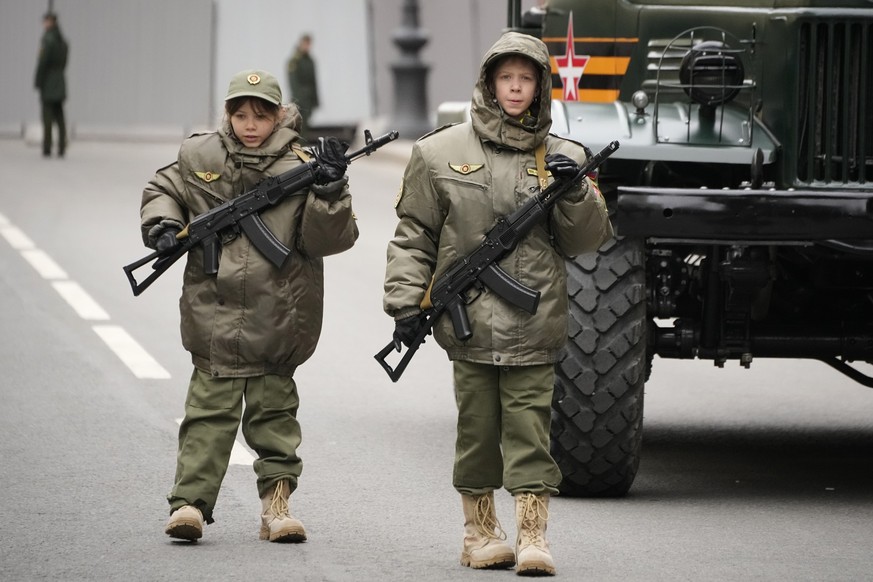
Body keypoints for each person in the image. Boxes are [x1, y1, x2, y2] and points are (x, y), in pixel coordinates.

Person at [382, 32, 613, 576]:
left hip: (534, 322)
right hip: (467, 324)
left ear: (539, 87)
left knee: (531, 432)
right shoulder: (439, 152)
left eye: (525, 79)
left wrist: (575, 193)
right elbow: (414, 233)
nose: (515, 88)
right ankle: (481, 534)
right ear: (488, 83)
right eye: (506, 78)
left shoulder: (565, 157)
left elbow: (587, 241)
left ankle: (533, 536)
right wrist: (405, 301)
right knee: (478, 431)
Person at [139, 69, 358, 543]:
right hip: (213, 314)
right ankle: (190, 505)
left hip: (279, 317)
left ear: (280, 116)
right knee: (207, 417)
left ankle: (276, 507)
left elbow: (330, 239)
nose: (250, 124)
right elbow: (164, 190)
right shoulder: (200, 154)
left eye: (261, 115)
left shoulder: (303, 164)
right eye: (241, 114)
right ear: (228, 114)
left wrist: (329, 190)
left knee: (274, 419)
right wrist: (162, 224)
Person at [34, 11, 68, 158]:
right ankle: (61, 146)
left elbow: (42, 63)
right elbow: (65, 62)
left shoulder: (48, 40)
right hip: (60, 79)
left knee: (47, 115)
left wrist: (38, 80)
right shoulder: (63, 41)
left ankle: (47, 146)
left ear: (50, 22)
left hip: (48, 81)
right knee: (59, 115)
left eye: (46, 21)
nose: (45, 24)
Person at [286, 34, 319, 141]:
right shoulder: (295, 60)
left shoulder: (310, 61)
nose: (307, 47)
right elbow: (293, 83)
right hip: (300, 100)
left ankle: (303, 147)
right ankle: (299, 147)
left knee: (306, 127)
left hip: (308, 99)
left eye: (309, 44)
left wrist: (315, 100)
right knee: (298, 127)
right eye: (305, 44)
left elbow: (313, 82)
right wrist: (298, 100)